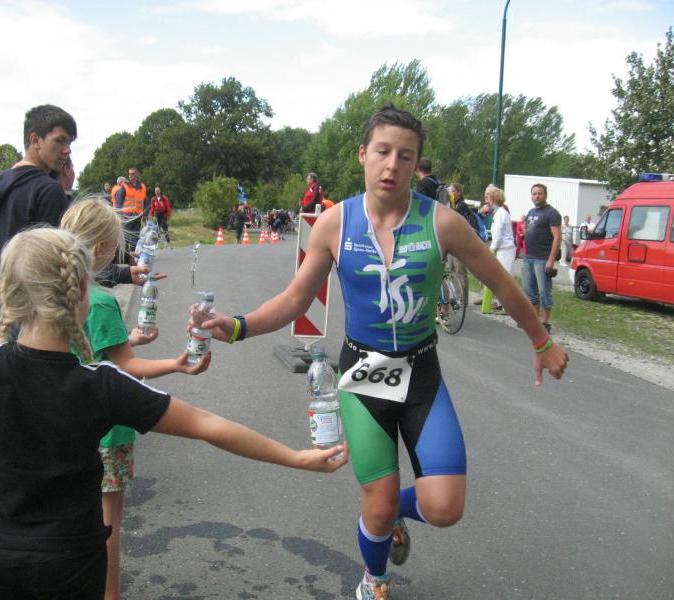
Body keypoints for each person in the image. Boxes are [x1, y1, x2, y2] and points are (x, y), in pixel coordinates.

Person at [199, 104, 568, 600]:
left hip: (421, 375)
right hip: (363, 375)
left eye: (405, 156)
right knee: (376, 502)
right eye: (383, 152)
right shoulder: (334, 223)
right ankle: (374, 580)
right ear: (363, 155)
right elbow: (295, 300)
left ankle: (396, 511)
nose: (392, 165)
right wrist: (239, 327)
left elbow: (501, 282)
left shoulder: (443, 223)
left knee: (444, 507)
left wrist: (541, 340)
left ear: (416, 164)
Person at [0, 227, 347, 600]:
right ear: (83, 291)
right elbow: (207, 424)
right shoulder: (102, 384)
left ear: (9, 294)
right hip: (75, 560)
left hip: (0, 559)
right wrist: (296, 457)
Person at [61, 198, 209, 600]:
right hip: (108, 435)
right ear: (102, 249)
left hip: (67, 428)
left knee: (72, 516)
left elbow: (93, 353)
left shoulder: (57, 296)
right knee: (109, 521)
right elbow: (124, 367)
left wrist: (128, 340)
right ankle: (110, 594)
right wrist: (176, 365)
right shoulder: (102, 301)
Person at [0, 104, 76, 334]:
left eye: (70, 143)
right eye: (60, 141)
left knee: (0, 353)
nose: (67, 150)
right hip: (32, 300)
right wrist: (65, 192)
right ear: (35, 140)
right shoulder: (48, 190)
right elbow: (57, 260)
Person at [522, 183, 562, 333]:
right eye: (534, 194)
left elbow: (557, 237)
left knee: (544, 292)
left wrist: (550, 260)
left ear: (545, 195)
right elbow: (528, 231)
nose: (537, 196)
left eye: (539, 193)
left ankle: (545, 322)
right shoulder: (531, 212)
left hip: (542, 258)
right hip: (528, 257)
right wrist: (525, 233)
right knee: (529, 291)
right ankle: (534, 321)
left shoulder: (552, 213)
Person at [488, 185, 516, 310]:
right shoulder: (499, 213)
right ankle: (501, 303)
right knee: (501, 277)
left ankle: (508, 305)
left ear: (493, 199)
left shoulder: (500, 214)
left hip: (506, 249)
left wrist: (492, 248)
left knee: (505, 278)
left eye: (489, 197)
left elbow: (498, 234)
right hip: (502, 249)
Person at [114, 168, 147, 253]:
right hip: (126, 216)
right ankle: (124, 254)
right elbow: (119, 202)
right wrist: (119, 214)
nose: (130, 175)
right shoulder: (124, 186)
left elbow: (146, 201)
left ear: (137, 175)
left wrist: (145, 214)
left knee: (135, 236)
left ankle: (132, 255)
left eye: (133, 174)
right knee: (126, 236)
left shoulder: (142, 186)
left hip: (138, 215)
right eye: (129, 174)